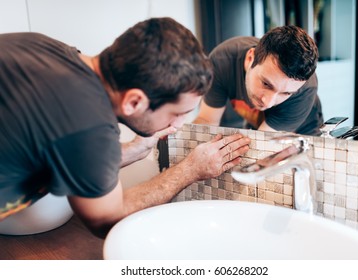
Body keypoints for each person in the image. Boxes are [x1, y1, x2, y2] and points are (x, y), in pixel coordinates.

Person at [0, 17, 250, 238]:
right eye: (178, 113)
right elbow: (105, 219)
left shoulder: (47, 47)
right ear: (134, 101)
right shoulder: (89, 124)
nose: (178, 124)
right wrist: (191, 170)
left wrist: (133, 150)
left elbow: (68, 154)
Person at [193, 25, 323, 136]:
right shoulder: (222, 62)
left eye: (286, 93)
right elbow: (207, 121)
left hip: (303, 132)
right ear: (250, 58)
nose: (268, 102)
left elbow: (262, 146)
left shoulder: (304, 90)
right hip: (256, 125)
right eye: (266, 84)